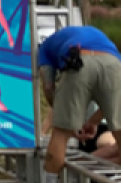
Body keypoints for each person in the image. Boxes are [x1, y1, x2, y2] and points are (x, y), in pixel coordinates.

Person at [38, 26, 121, 182]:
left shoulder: (44, 49)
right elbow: (112, 101)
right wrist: (94, 121)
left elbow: (48, 87)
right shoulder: (97, 35)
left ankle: (51, 180)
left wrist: (64, 116)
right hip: (113, 64)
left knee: (60, 136)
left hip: (78, 62)